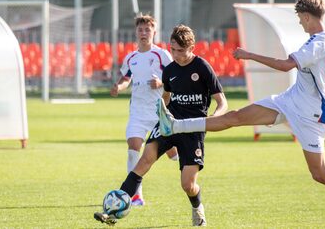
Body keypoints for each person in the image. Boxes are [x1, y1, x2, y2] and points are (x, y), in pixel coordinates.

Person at [158, 0, 325, 191]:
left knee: (320, 174)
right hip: (289, 100)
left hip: (310, 112)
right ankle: (174, 126)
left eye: (300, 19)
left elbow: (286, 65)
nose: (300, 24)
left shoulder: (320, 43)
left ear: (306, 16)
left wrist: (249, 55)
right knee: (235, 117)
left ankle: (175, 126)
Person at [95, 24, 228, 226]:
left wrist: (214, 118)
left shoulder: (202, 67)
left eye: (181, 51)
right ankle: (113, 210)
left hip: (193, 128)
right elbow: (166, 97)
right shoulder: (170, 70)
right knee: (144, 160)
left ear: (192, 48)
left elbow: (222, 101)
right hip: (169, 124)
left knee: (188, 184)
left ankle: (197, 207)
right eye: (173, 49)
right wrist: (161, 117)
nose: (176, 55)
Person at [110, 14, 178, 206]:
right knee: (133, 147)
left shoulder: (161, 55)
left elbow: (174, 76)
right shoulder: (131, 58)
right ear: (136, 32)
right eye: (140, 29)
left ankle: (189, 171)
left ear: (154, 32)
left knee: (172, 154)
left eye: (147, 29)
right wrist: (119, 87)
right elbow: (126, 78)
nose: (143, 33)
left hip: (158, 112)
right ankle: (135, 195)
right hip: (138, 112)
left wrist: (161, 82)